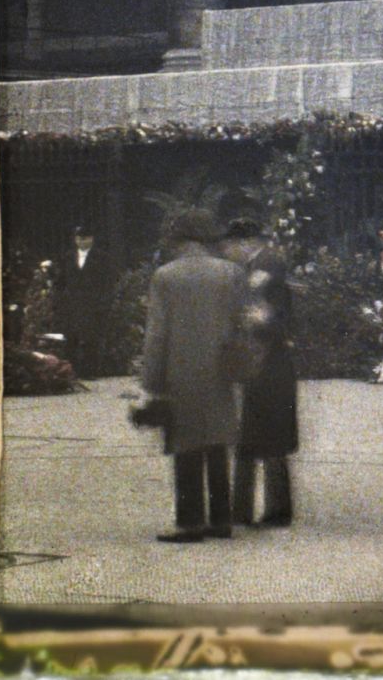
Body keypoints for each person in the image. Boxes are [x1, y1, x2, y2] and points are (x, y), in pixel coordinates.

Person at [140, 209, 250, 542]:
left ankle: (190, 524)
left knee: (185, 448)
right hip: (220, 370)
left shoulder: (166, 277)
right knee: (216, 443)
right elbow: (242, 324)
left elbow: (157, 335)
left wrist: (151, 380)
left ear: (180, 238)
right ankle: (221, 520)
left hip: (180, 370)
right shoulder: (231, 273)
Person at [221, 218, 298, 529]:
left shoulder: (267, 266)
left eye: (230, 244)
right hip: (263, 362)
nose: (227, 251)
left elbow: (276, 316)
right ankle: (248, 509)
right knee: (257, 437)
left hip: (268, 361)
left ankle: (264, 511)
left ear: (245, 242)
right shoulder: (259, 264)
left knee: (266, 437)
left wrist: (258, 319)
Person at [55, 223, 114, 378]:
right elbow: (60, 281)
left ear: (92, 239)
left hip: (92, 304)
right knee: (71, 339)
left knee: (91, 339)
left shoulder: (102, 258)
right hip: (72, 304)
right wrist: (61, 301)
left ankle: (90, 372)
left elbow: (108, 283)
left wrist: (103, 303)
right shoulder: (67, 257)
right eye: (79, 238)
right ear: (75, 239)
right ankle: (70, 372)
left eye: (85, 238)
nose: (82, 242)